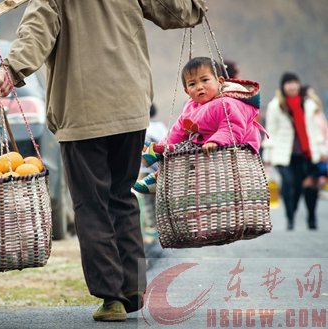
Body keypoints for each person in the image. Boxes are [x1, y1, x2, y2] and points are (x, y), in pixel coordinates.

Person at [0, 0, 207, 322]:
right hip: (129, 108)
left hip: (81, 112)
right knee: (121, 196)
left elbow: (35, 33)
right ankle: (132, 286)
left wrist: (10, 68)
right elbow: (176, 11)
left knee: (92, 204)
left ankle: (111, 296)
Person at [134, 56, 264, 193]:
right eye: (192, 84)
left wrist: (217, 141)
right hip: (204, 146)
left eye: (205, 80)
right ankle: (158, 168)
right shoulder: (192, 107)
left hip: (234, 148)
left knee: (187, 153)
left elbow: (232, 127)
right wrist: (165, 145)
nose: (199, 87)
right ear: (187, 91)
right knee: (179, 150)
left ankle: (158, 167)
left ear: (219, 81)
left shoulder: (228, 103)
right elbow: (178, 131)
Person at [262, 73, 328, 230]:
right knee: (290, 185)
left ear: (299, 84)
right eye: (288, 83)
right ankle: (290, 217)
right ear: (283, 86)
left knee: (310, 186)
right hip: (284, 154)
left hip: (307, 153)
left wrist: (322, 150)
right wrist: (268, 155)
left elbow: (315, 130)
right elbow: (271, 130)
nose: (292, 86)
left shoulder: (308, 105)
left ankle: (311, 217)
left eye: (294, 83)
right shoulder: (276, 105)